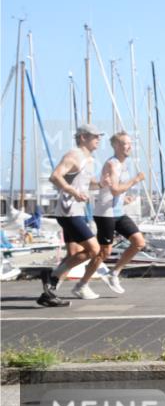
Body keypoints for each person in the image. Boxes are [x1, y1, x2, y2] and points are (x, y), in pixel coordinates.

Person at [38, 124, 104, 306]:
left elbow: (85, 183)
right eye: (95, 136)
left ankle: (49, 295)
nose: (98, 139)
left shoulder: (88, 159)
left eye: (99, 136)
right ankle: (51, 277)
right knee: (94, 250)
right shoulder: (74, 155)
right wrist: (73, 192)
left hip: (76, 212)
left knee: (73, 254)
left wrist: (101, 184)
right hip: (68, 213)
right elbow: (55, 176)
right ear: (83, 137)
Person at [93, 132, 147, 293]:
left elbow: (116, 192)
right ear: (116, 146)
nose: (129, 146)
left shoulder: (124, 164)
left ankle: (114, 273)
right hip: (106, 213)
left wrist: (124, 199)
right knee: (104, 252)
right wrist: (135, 180)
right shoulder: (112, 164)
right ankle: (82, 284)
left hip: (118, 212)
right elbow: (115, 190)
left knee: (139, 242)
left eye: (130, 143)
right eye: (125, 143)